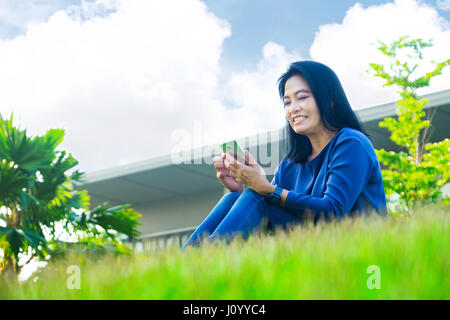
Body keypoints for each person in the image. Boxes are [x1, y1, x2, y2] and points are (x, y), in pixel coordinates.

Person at [180, 60, 387, 251]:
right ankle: (185, 264)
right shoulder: (290, 164)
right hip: (303, 247)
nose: (293, 108)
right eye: (287, 102)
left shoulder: (351, 143)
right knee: (235, 198)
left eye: (302, 97)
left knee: (257, 196)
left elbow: (333, 210)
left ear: (330, 100)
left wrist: (265, 188)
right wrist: (242, 187)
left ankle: (196, 266)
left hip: (349, 250)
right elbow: (270, 209)